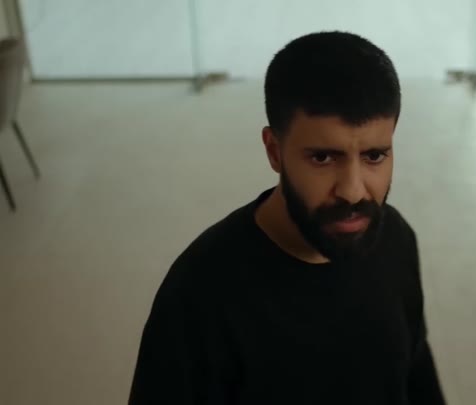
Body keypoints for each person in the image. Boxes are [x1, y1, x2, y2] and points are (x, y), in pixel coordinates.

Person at [128, 31, 445, 405]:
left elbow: (415, 377)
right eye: (323, 158)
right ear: (274, 151)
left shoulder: (395, 238)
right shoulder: (200, 294)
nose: (353, 191)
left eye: (374, 156)